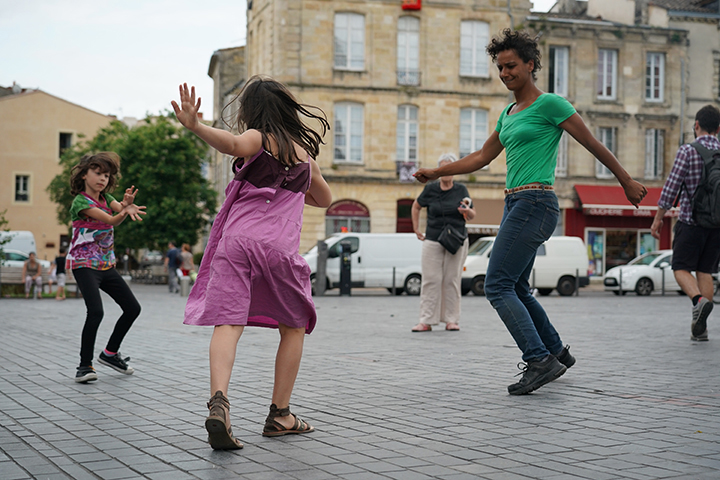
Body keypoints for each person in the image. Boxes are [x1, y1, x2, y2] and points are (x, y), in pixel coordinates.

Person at [414, 29, 647, 395]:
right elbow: (482, 157)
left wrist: (626, 181)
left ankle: (539, 360)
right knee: (517, 286)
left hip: (535, 202)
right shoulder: (508, 113)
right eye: (500, 67)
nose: (505, 73)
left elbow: (591, 142)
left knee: (497, 284)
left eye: (511, 66)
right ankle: (555, 351)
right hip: (515, 203)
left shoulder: (550, 104)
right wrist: (437, 171)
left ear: (531, 65)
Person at [172, 76, 332, 449]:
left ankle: (219, 402)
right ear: (288, 110)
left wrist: (196, 127)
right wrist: (294, 189)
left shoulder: (257, 139)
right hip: (279, 250)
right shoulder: (305, 157)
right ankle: (280, 414)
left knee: (228, 322)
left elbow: (231, 144)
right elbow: (324, 199)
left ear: (252, 111)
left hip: (236, 243)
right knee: (293, 326)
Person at [66, 152, 146, 384]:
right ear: (84, 175)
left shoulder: (106, 197)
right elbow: (110, 220)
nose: (102, 178)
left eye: (107, 175)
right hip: (84, 265)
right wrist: (123, 211)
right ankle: (84, 366)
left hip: (105, 265)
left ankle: (110, 353)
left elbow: (118, 208)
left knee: (132, 308)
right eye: (98, 173)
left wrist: (126, 205)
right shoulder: (81, 202)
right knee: (96, 312)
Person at [651, 105, 720, 341]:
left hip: (691, 222)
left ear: (696, 125)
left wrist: (658, 218)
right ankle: (702, 328)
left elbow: (671, 188)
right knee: (705, 271)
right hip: (716, 225)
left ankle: (698, 301)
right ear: (718, 128)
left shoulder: (688, 151)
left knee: (680, 267)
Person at [411, 153, 475, 332]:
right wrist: (416, 228)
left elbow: (472, 215)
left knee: (451, 280)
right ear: (438, 170)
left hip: (456, 239)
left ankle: (451, 320)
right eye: (443, 168)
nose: (446, 172)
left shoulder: (461, 190)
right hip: (433, 238)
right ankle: (426, 320)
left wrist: (466, 211)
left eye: (449, 168)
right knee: (431, 279)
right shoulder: (430, 189)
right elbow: (416, 206)